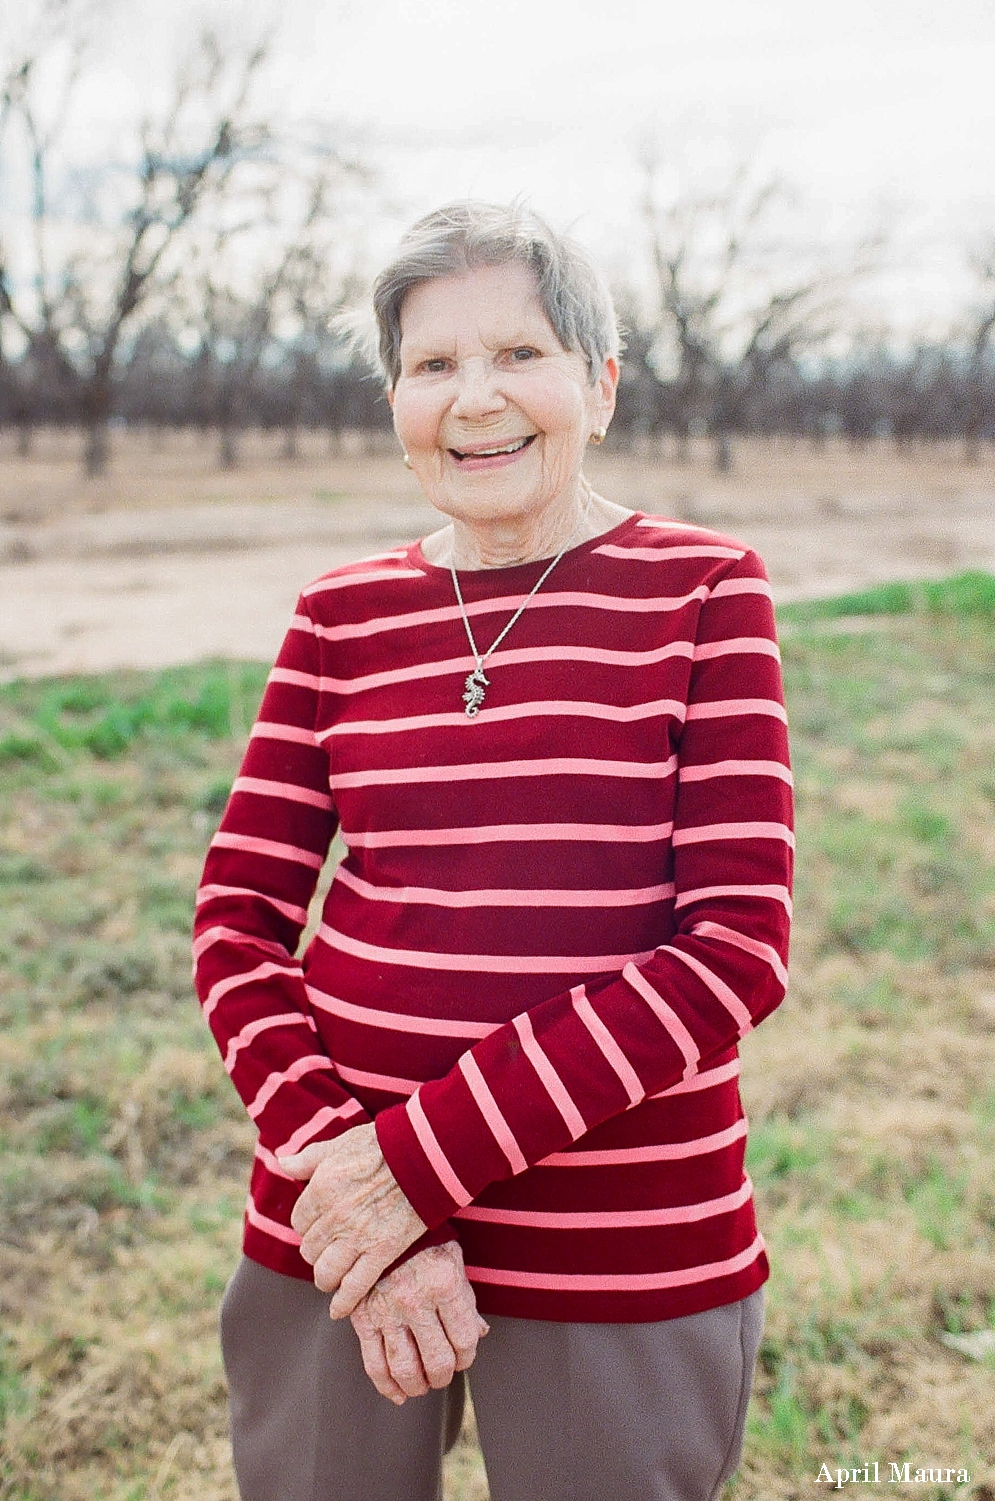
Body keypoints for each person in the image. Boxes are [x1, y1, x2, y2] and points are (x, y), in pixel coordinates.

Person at [192, 200, 793, 1501]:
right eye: (432, 364)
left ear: (601, 383)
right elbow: (237, 919)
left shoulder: (705, 589)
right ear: (395, 401)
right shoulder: (337, 616)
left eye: (519, 353)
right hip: (336, 1225)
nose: (476, 399)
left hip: (620, 1235)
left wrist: (416, 1167)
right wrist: (355, 1182)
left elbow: (734, 951)